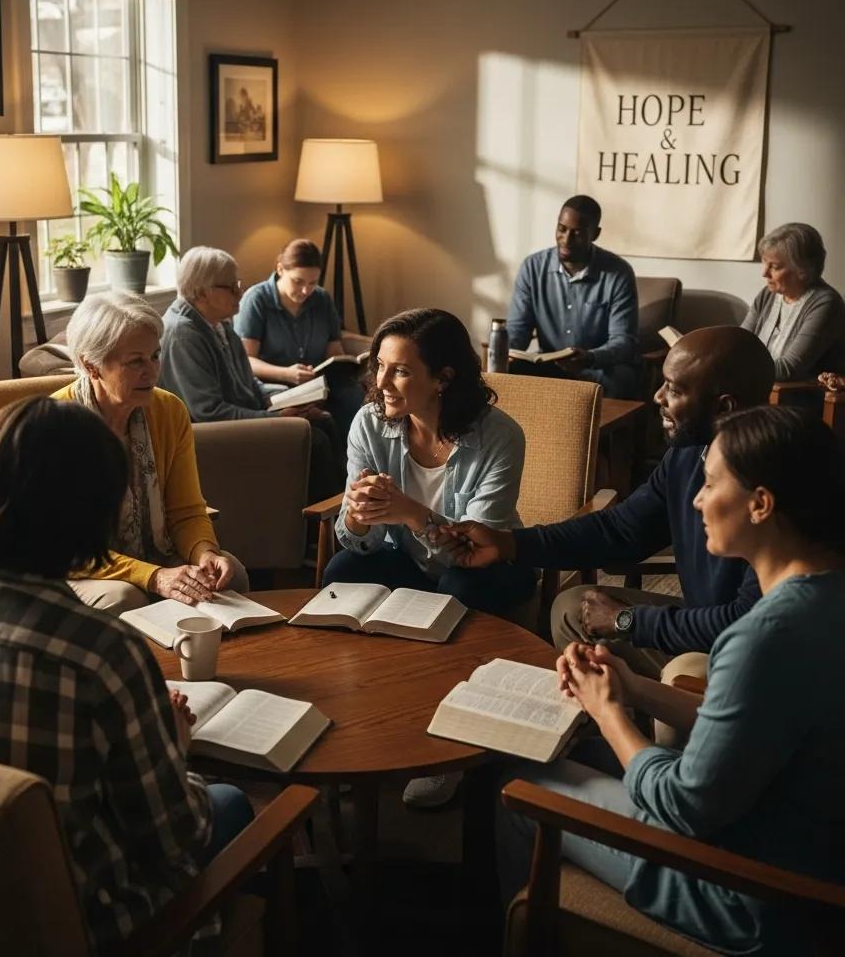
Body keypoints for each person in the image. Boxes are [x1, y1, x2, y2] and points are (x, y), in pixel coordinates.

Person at [0, 396, 254, 954]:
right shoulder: (100, 653)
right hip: (68, 926)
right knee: (231, 804)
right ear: (94, 518)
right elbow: (175, 839)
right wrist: (174, 745)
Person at [496, 405, 845, 954]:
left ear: (760, 504)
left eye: (709, 485)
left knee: (519, 782)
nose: (698, 500)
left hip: (752, 893)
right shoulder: (826, 595)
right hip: (801, 840)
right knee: (578, 760)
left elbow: (682, 806)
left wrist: (609, 713)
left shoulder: (764, 637)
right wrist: (633, 690)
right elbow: (752, 726)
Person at [435, 327, 775, 696]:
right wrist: (508, 543)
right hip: (704, 621)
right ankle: (611, 720)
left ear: (725, 407)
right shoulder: (691, 452)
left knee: (684, 670)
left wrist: (627, 619)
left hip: (753, 650)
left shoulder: (768, 490)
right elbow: (622, 530)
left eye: (674, 390)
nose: (657, 396)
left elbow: (747, 621)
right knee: (571, 607)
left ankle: (656, 738)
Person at [325, 307, 536, 808]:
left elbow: (473, 548)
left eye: (400, 370)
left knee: (457, 592)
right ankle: (362, 717)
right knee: (343, 572)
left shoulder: (500, 436)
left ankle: (450, 746)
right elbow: (356, 538)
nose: (383, 383)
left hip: (487, 568)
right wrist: (357, 516)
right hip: (411, 561)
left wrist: (410, 512)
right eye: (379, 366)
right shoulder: (369, 424)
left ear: (443, 378)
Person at [55, 291, 248, 616]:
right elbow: (65, 546)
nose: (152, 371)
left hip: (151, 554)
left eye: (155, 356)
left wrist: (206, 553)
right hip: (73, 566)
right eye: (135, 362)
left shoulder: (169, 410)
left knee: (231, 575)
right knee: (125, 598)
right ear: (92, 366)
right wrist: (154, 577)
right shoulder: (55, 423)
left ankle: (216, 666)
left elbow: (186, 510)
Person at [160, 245, 345, 502]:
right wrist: (277, 418)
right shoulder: (184, 334)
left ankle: (343, 516)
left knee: (323, 419)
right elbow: (209, 413)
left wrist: (289, 400)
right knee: (314, 440)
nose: (241, 292)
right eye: (232, 287)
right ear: (203, 292)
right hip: (221, 435)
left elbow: (249, 383)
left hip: (247, 416)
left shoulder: (219, 323)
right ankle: (319, 530)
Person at [508, 195, 640, 399]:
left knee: (623, 378)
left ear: (595, 234)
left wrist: (590, 357)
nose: (566, 240)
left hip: (597, 368)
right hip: (548, 367)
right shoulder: (532, 268)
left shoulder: (619, 273)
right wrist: (506, 350)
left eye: (577, 233)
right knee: (508, 373)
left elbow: (623, 341)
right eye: (561, 229)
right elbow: (518, 330)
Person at [234, 238, 364, 439]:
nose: (306, 290)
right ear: (280, 269)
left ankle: (359, 462)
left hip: (319, 383)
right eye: (298, 281)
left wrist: (346, 365)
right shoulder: (257, 300)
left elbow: (334, 351)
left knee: (354, 396)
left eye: (313, 283)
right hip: (277, 385)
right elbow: (246, 361)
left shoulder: (322, 299)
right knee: (318, 421)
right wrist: (286, 374)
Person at [741, 222, 845, 382]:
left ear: (802, 270)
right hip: (758, 391)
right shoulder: (767, 294)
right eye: (764, 263)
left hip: (797, 399)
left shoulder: (826, 303)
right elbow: (738, 343)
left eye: (774, 267)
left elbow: (788, 369)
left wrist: (734, 367)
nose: (764, 273)